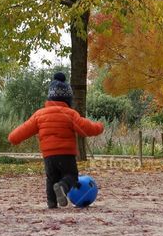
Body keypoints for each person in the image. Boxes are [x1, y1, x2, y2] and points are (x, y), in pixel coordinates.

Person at [7, 72, 104, 208]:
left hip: (49, 155)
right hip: (66, 154)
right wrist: (99, 127)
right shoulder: (70, 114)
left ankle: (52, 204)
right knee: (71, 176)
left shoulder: (39, 115)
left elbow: (24, 129)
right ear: (68, 99)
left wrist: (13, 138)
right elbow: (85, 128)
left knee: (51, 178)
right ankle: (62, 187)